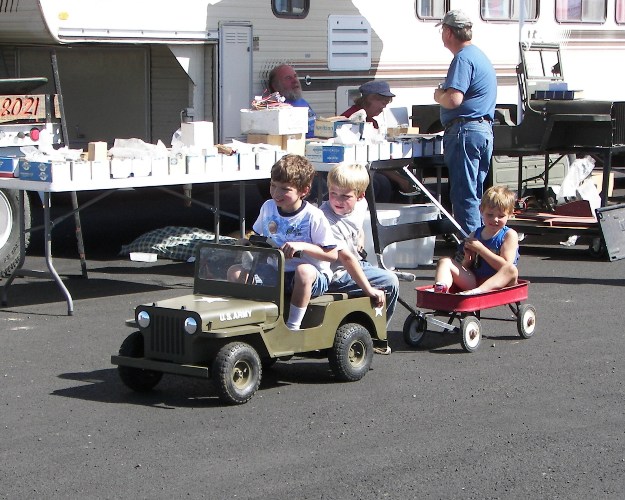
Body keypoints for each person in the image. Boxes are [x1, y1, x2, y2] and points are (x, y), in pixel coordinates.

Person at [233, 154, 338, 330]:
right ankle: (250, 321)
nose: (276, 193)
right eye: (273, 186)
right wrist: (246, 243)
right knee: (235, 272)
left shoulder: (313, 215)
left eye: (285, 189)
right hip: (275, 272)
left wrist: (302, 246)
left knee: (303, 271)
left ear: (303, 191)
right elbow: (258, 236)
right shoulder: (268, 206)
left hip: (311, 278)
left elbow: (332, 255)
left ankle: (292, 327)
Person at [320, 163, 400, 354]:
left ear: (360, 195)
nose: (337, 200)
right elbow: (346, 260)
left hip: (352, 261)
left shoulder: (361, 205)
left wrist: (360, 239)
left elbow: (357, 225)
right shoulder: (326, 219)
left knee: (376, 273)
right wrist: (369, 289)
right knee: (390, 281)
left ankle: (371, 327)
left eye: (345, 196)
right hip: (336, 273)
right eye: (333, 193)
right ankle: (378, 336)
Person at [434, 9, 497, 236]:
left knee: (464, 196)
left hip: (465, 131)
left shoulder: (462, 58)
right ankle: (482, 246)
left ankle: (471, 252)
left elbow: (453, 99)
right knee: (475, 194)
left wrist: (438, 94)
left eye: (443, 30)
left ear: (449, 32)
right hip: (482, 130)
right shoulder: (479, 55)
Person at [433, 185, 519, 295]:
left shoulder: (509, 235)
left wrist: (481, 249)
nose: (495, 219)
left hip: (500, 282)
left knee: (511, 269)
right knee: (445, 261)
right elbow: (466, 266)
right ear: (481, 210)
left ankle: (478, 291)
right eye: (490, 215)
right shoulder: (475, 234)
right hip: (475, 280)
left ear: (510, 214)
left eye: (501, 216)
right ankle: (441, 288)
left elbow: (505, 266)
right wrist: (468, 259)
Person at [341, 80, 418, 202]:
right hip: (359, 168)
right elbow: (367, 159)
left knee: (406, 177)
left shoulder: (373, 122)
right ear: (370, 98)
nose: (383, 108)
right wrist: (399, 179)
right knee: (384, 183)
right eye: (382, 103)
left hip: (374, 165)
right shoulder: (351, 118)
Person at [267, 64, 316, 138]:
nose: (295, 81)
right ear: (275, 85)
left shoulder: (302, 102)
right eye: (288, 78)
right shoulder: (277, 109)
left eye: (295, 76)